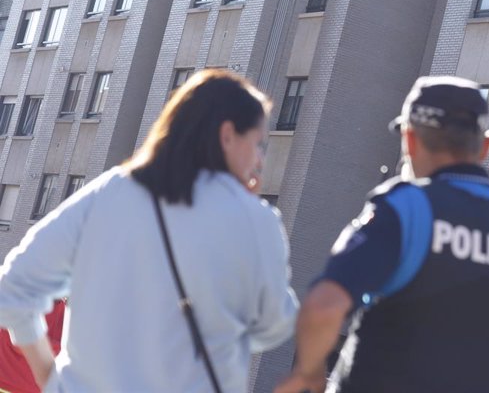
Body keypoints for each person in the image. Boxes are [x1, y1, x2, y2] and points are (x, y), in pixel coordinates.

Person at [274, 76, 489, 393]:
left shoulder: (406, 206)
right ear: (486, 146)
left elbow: (323, 308)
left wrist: (308, 374)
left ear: (409, 140)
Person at [0, 69, 298, 392]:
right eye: (257, 144)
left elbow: (14, 288)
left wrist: (51, 380)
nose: (259, 160)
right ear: (227, 136)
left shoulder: (108, 192)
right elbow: (274, 325)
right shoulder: (254, 219)